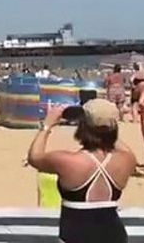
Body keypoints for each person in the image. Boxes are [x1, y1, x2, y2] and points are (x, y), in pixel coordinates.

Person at [27, 99, 137, 243]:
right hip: (114, 235)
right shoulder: (126, 160)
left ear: (83, 127)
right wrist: (106, 131)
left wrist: (47, 125)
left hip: (76, 236)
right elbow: (121, 147)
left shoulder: (68, 161)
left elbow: (34, 157)